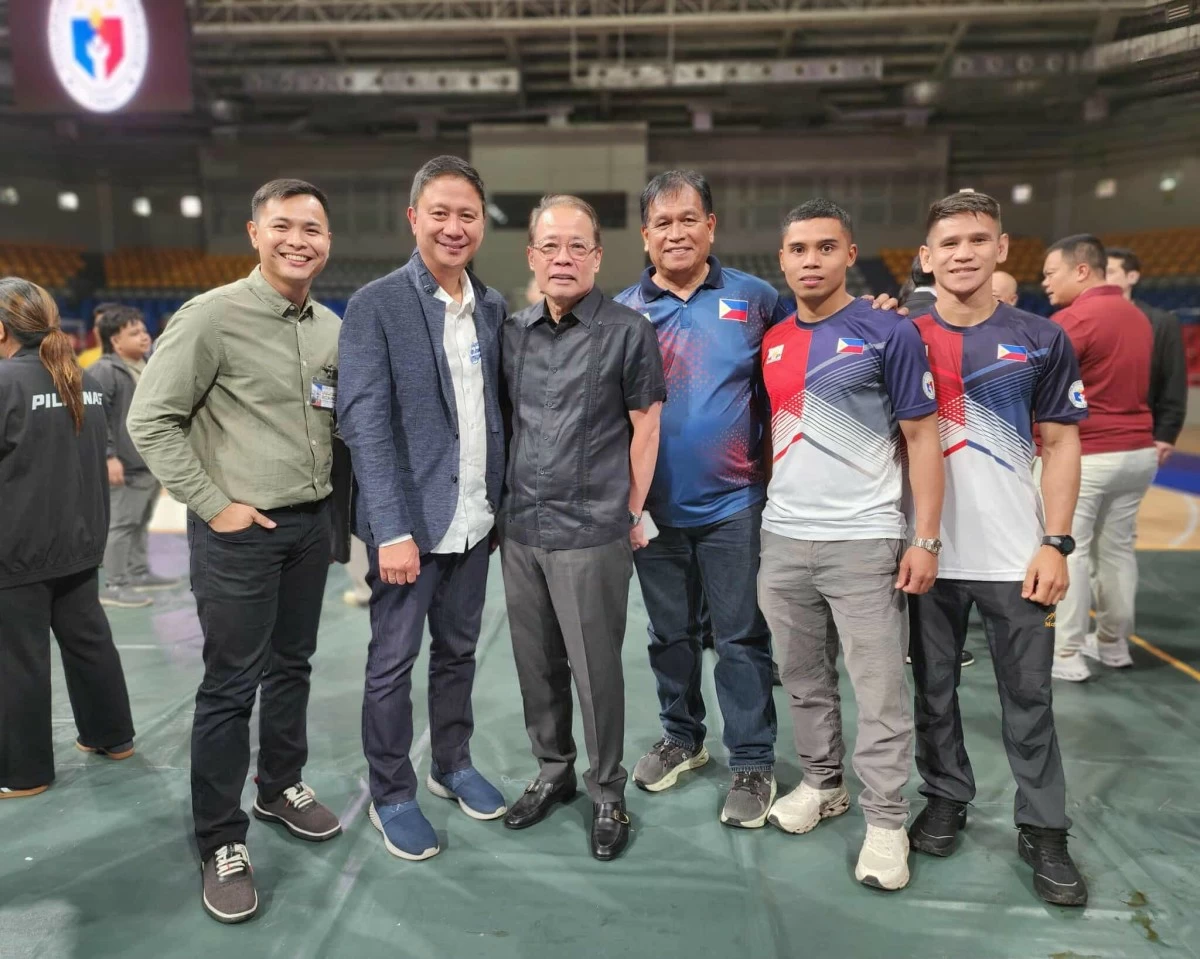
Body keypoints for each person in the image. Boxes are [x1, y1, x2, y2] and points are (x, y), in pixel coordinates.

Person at [128, 179, 343, 924]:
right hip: (239, 533)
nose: (298, 239)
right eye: (282, 225)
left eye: (312, 228)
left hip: (308, 528)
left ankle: (280, 783)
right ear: (254, 232)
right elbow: (150, 421)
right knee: (229, 686)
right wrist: (216, 505)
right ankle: (221, 837)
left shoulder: (328, 327)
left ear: (327, 240)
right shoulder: (210, 317)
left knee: (294, 665)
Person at [906, 191, 1089, 908]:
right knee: (934, 692)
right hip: (927, 554)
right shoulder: (904, 338)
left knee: (1029, 699)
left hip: (1017, 557)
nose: (962, 252)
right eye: (947, 241)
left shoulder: (1042, 338)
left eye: (977, 239)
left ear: (1001, 248)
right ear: (926, 257)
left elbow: (1064, 441)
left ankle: (1043, 826)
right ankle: (946, 794)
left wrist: (1056, 541)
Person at [757, 199, 944, 893]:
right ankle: (822, 781)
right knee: (803, 678)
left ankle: (888, 821)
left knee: (878, 689)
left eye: (825, 248)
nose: (811, 260)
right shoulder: (772, 339)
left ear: (849, 253)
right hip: (782, 538)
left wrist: (924, 535)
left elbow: (924, 437)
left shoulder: (885, 331)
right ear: (782, 259)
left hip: (865, 539)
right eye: (798, 249)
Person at [337, 156, 508, 863]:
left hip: (474, 520)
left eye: (467, 213)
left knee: (460, 653)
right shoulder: (377, 303)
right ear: (414, 218)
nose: (454, 225)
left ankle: (452, 761)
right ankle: (392, 792)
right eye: (440, 211)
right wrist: (392, 529)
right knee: (391, 663)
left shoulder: (492, 307)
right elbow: (364, 423)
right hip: (408, 528)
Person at [611, 170, 780, 825]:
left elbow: (805, 352)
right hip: (652, 513)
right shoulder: (624, 312)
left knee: (740, 638)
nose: (676, 232)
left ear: (712, 225)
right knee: (668, 634)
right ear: (646, 235)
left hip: (735, 504)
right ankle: (683, 738)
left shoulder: (756, 298)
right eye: (663, 223)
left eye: (689, 219)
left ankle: (753, 759)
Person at [500, 194, 666, 861]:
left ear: (597, 256)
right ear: (532, 256)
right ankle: (553, 770)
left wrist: (627, 512)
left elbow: (646, 427)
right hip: (521, 528)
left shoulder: (629, 330)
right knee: (536, 665)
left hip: (593, 527)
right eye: (550, 245)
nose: (562, 257)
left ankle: (606, 788)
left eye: (577, 246)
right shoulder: (512, 332)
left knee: (596, 669)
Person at [0, 278, 136, 799]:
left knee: (18, 659)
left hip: (17, 548)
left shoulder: (7, 383)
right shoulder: (81, 379)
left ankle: (23, 772)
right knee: (89, 643)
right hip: (79, 542)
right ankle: (112, 736)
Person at [1041, 235, 1155, 681]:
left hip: (1088, 453)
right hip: (1138, 452)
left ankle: (1066, 652)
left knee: (1067, 550)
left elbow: (1042, 393)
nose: (1045, 282)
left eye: (1052, 273)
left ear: (1081, 270)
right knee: (1118, 552)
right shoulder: (1138, 317)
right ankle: (1112, 644)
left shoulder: (1073, 321)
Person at [90, 305, 180, 609]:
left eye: (143, 330)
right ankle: (115, 585)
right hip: (124, 464)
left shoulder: (145, 364)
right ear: (115, 341)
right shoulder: (104, 370)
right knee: (122, 524)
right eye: (134, 332)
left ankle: (138, 572)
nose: (144, 336)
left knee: (140, 521)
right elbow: (96, 417)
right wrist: (108, 456)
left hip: (147, 462)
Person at [1105, 248, 1187, 468]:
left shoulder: (1161, 323)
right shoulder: (1082, 319)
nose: (1103, 277)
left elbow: (1173, 380)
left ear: (1132, 277)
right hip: (1091, 434)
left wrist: (1166, 434)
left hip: (1140, 435)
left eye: (1110, 271)